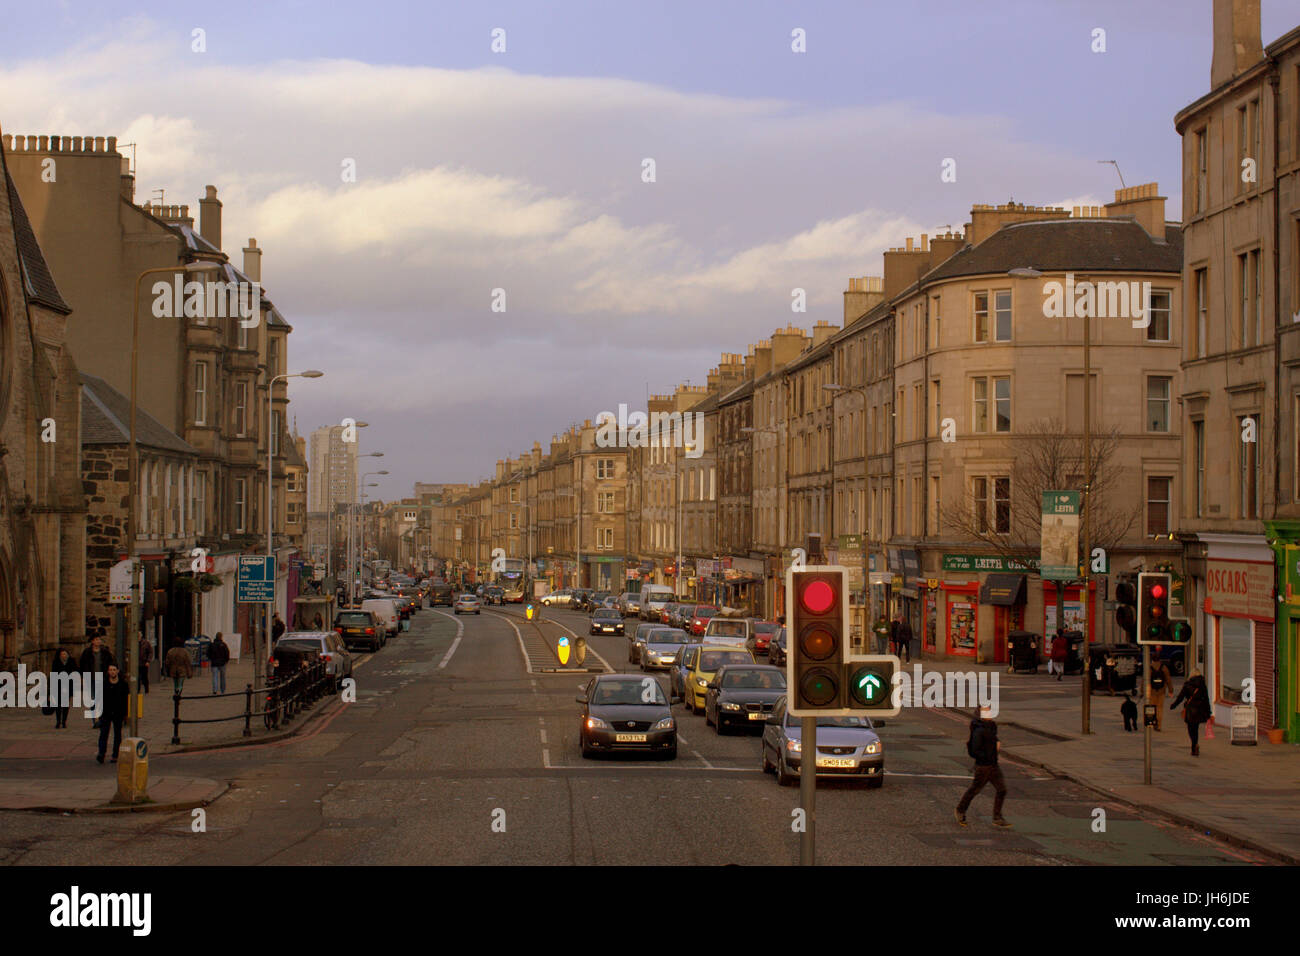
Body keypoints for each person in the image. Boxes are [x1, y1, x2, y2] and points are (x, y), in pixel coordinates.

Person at [956, 705, 1011, 828]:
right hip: (983, 767)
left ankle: (997, 818)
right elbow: (974, 751)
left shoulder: (991, 726)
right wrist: (987, 754)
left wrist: (997, 743)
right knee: (974, 790)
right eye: (985, 711)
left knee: (1002, 790)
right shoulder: (978, 730)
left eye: (989, 710)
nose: (989, 713)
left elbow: (992, 739)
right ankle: (960, 810)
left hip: (993, 765)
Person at [1170, 670, 1212, 756]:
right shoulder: (1202, 685)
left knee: (1190, 728)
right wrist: (1208, 711)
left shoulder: (1187, 684)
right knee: (1195, 728)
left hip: (1190, 709)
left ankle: (1194, 744)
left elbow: (1180, 697)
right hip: (1199, 709)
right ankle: (1195, 744)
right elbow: (1206, 698)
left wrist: (1174, 705)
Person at [79, 637, 115, 727]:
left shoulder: (105, 652)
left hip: (102, 678)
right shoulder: (87, 652)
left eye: (99, 640)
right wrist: (83, 677)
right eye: (96, 640)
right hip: (90, 678)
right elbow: (82, 665)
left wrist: (110, 674)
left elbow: (111, 662)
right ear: (92, 641)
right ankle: (95, 720)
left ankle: (101, 718)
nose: (98, 641)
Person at [96, 664, 128, 764]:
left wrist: (125, 714)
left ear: (118, 671)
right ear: (108, 671)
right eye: (110, 670)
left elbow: (126, 700)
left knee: (117, 734)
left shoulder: (123, 684)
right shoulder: (104, 683)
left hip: (118, 713)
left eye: (114, 670)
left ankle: (115, 755)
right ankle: (101, 753)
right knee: (103, 734)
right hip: (106, 712)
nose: (112, 672)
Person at [50, 648, 77, 729]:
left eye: (65, 654)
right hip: (58, 685)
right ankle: (58, 721)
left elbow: (75, 672)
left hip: (68, 685)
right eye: (62, 654)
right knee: (58, 705)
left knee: (65, 705)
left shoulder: (71, 661)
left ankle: (64, 721)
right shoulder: (56, 662)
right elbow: (53, 674)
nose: (64, 656)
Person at [1148, 657, 1173, 731]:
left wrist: (1143, 691)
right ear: (1160, 659)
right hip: (1161, 691)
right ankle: (1159, 725)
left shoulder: (1149, 667)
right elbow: (1168, 679)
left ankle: (1152, 722)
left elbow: (1145, 679)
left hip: (1152, 691)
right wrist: (1170, 690)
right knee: (1160, 708)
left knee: (1152, 708)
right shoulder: (1164, 667)